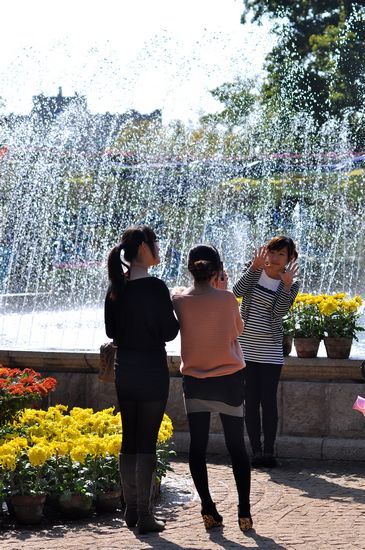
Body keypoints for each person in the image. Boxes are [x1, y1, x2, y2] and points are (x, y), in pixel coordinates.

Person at [104, 225, 179, 534]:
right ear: (144, 248)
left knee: (129, 439)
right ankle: (144, 515)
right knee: (146, 441)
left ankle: (131, 511)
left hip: (126, 369)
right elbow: (169, 332)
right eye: (155, 243)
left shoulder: (115, 287)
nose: (159, 248)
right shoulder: (156, 288)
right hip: (151, 369)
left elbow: (111, 331)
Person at [172, 245, 252, 532]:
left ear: (191, 269)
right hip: (228, 380)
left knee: (198, 446)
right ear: (218, 270)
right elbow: (236, 332)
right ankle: (244, 512)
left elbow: (183, 293)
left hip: (195, 382)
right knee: (236, 447)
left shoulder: (178, 299)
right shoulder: (228, 298)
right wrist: (222, 289)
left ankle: (208, 509)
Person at [233, 235, 299, 468]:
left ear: (290, 258)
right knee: (250, 401)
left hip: (271, 349)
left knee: (268, 401)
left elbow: (279, 312)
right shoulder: (255, 270)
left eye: (282, 254)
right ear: (266, 251)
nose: (275, 257)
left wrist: (288, 286)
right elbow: (237, 291)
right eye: (273, 252)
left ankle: (269, 452)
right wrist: (253, 268)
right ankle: (256, 451)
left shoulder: (291, 281)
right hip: (246, 347)